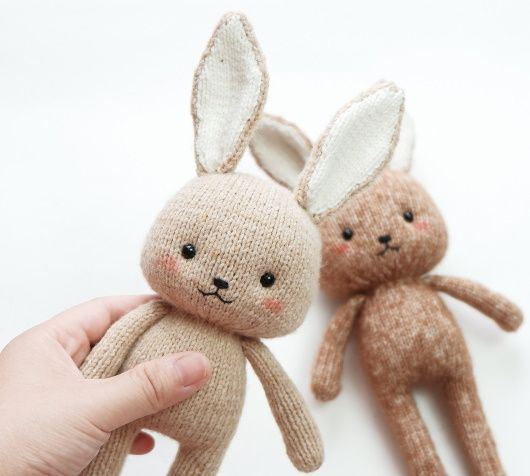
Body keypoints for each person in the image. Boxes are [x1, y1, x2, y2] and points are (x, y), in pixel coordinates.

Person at [0, 295, 211, 475]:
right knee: (109, 446)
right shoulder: (154, 311)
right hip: (123, 413)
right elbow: (113, 346)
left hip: (205, 429)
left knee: (203, 457)